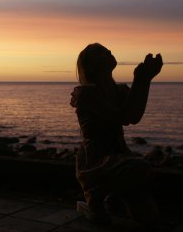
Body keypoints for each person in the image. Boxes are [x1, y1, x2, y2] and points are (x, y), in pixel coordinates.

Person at [70, 43, 163, 227]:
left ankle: (114, 196)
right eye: (100, 51)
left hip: (119, 153)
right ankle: (93, 196)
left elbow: (134, 117)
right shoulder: (87, 95)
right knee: (138, 168)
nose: (108, 51)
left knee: (149, 218)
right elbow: (123, 117)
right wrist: (141, 80)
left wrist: (145, 81)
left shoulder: (119, 91)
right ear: (90, 66)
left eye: (107, 49)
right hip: (96, 159)